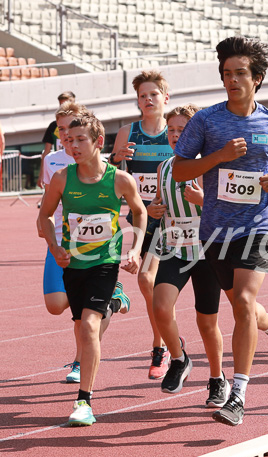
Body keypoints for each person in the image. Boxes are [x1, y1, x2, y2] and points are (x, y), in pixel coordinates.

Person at [172, 36, 268, 427]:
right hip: (215, 230)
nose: (232, 80)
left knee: (243, 301)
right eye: (227, 74)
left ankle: (239, 395)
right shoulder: (206, 120)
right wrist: (219, 157)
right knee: (245, 307)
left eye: (240, 73)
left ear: (257, 78)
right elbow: (179, 169)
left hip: (258, 225)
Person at [37, 113, 145, 426]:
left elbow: (140, 213)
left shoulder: (120, 179)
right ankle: (113, 302)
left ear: (98, 142)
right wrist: (55, 248)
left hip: (105, 262)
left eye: (80, 139)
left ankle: (84, 401)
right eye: (68, 140)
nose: (73, 146)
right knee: (79, 324)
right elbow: (44, 217)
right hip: (73, 262)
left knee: (88, 326)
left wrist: (134, 250)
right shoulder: (62, 178)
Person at [147, 104, 231, 407]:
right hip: (175, 248)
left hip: (207, 251)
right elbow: (159, 204)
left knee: (207, 323)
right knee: (160, 307)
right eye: (170, 130)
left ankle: (217, 378)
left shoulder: (211, 165)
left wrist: (204, 199)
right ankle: (180, 358)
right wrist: (152, 210)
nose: (174, 135)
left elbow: (228, 209)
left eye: (181, 130)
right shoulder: (164, 168)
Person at [109, 71, 175, 380]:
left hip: (174, 220)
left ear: (165, 97)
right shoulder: (127, 131)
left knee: (152, 283)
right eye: (142, 96)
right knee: (148, 284)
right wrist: (115, 158)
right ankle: (162, 345)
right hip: (141, 219)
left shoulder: (176, 132)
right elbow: (110, 177)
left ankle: (164, 346)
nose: (147, 100)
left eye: (153, 94)